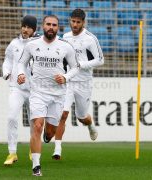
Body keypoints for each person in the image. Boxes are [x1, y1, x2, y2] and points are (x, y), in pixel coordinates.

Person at [17, 15, 79, 176]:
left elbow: (75, 67)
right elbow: (21, 63)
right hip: (37, 92)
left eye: (54, 25)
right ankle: (36, 166)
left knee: (50, 131)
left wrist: (65, 77)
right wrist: (21, 74)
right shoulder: (32, 44)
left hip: (58, 95)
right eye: (48, 24)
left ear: (58, 28)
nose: (51, 27)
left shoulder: (66, 46)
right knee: (37, 125)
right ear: (43, 26)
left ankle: (48, 135)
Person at [52, 8, 104, 160]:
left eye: (78, 22)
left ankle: (90, 125)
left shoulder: (90, 39)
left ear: (83, 22)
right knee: (63, 114)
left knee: (82, 117)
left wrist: (81, 64)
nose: (74, 24)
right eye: (73, 21)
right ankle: (57, 149)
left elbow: (100, 60)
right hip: (68, 81)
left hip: (84, 83)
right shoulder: (65, 37)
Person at [2, 15, 39, 166]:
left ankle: (33, 149)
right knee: (11, 117)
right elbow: (8, 61)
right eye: (24, 26)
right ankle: (12, 153)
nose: (25, 29)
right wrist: (6, 72)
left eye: (29, 27)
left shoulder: (39, 44)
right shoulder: (14, 43)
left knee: (34, 121)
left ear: (34, 29)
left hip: (35, 90)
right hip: (16, 88)